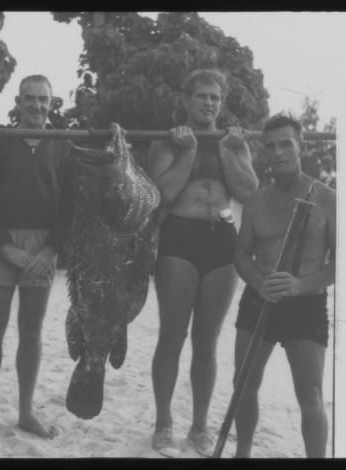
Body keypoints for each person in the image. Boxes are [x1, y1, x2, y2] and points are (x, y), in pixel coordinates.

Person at [147, 69, 258, 453]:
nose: (208, 103)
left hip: (222, 240)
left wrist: (228, 152)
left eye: (214, 97)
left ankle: (199, 426)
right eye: (201, 96)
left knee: (207, 342)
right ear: (188, 99)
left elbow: (249, 192)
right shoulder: (167, 143)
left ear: (221, 103)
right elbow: (161, 196)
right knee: (172, 336)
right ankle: (163, 422)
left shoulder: (234, 143)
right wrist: (190, 152)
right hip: (180, 236)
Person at [0, 74, 74, 440]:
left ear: (52, 102)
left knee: (31, 334)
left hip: (42, 247)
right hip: (1, 243)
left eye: (43, 99)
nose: (36, 105)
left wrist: (51, 249)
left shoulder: (64, 143)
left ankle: (26, 411)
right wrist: (3, 246)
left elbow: (71, 203)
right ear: (18, 101)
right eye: (29, 98)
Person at [233, 114, 335, 458]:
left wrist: (301, 284)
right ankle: (242, 453)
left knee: (311, 397)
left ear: (300, 147)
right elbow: (241, 255)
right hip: (259, 298)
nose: (278, 152)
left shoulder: (328, 199)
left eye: (286, 144)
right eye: (271, 145)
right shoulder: (257, 201)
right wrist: (260, 282)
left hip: (305, 305)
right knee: (243, 386)